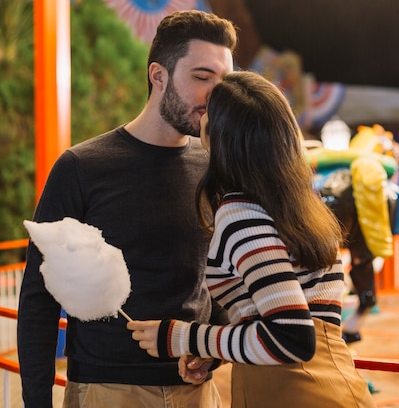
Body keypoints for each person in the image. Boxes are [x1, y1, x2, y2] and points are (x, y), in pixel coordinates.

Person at [16, 10, 238, 408]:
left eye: (223, 82)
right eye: (202, 77)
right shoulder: (82, 167)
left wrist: (212, 349)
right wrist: (37, 400)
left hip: (197, 391)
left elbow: (218, 280)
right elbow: (38, 297)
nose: (214, 96)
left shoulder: (215, 168)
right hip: (106, 389)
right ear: (158, 76)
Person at [128, 71, 376, 408]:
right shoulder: (300, 206)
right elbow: (295, 322)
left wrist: (180, 337)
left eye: (208, 116)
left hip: (290, 393)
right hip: (334, 386)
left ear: (222, 136)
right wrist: (214, 352)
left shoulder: (240, 212)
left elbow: (291, 337)